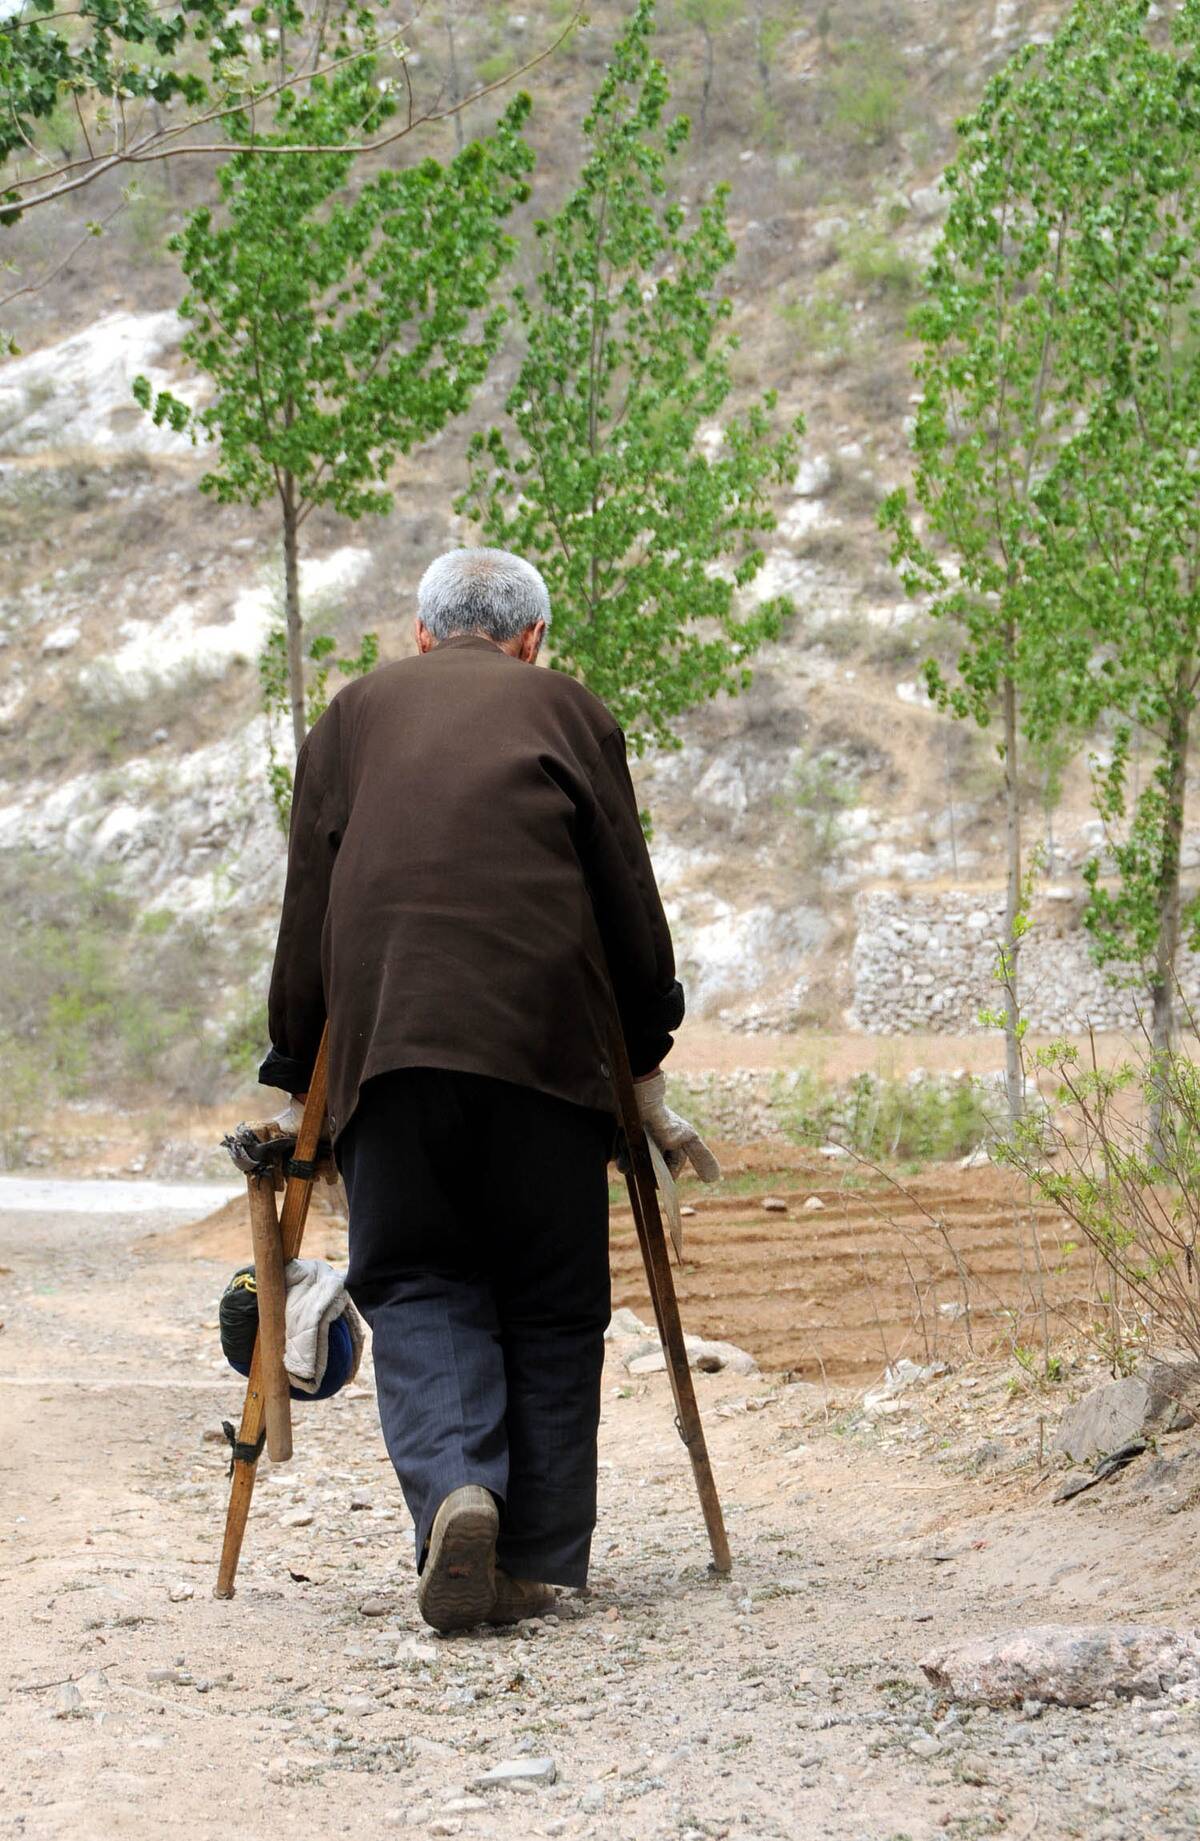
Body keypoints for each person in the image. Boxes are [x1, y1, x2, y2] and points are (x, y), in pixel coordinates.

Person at [258, 546, 719, 1632]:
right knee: (554, 1298)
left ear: (421, 634)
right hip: (547, 1054)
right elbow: (625, 896)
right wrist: (647, 1054)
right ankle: (535, 1551)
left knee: (416, 1275)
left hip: (391, 1050)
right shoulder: (569, 710)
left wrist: (294, 1072)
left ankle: (460, 1491)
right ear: (530, 640)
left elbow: (311, 905)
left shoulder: (352, 716)